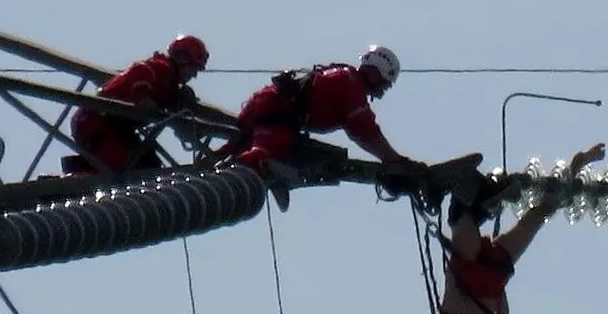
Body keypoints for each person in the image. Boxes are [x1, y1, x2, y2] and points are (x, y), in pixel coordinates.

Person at [422, 142, 607, 314]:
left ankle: (579, 163)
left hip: (493, 275)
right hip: (467, 265)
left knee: (541, 213)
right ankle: (480, 197)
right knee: (459, 216)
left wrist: (499, 290)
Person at [214, 44, 425, 212]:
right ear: (379, 72)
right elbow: (364, 130)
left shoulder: (345, 79)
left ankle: (216, 168)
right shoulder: (350, 84)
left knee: (256, 151)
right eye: (386, 82)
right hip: (275, 113)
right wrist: (393, 160)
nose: (385, 89)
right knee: (266, 154)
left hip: (272, 110)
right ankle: (226, 174)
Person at [66, 34, 209, 174]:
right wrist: (144, 98)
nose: (194, 75)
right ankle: (79, 174)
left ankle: (83, 170)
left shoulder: (169, 85)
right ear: (182, 58)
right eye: (193, 68)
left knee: (149, 165)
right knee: (135, 169)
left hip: (113, 125)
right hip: (97, 123)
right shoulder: (160, 69)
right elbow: (140, 75)